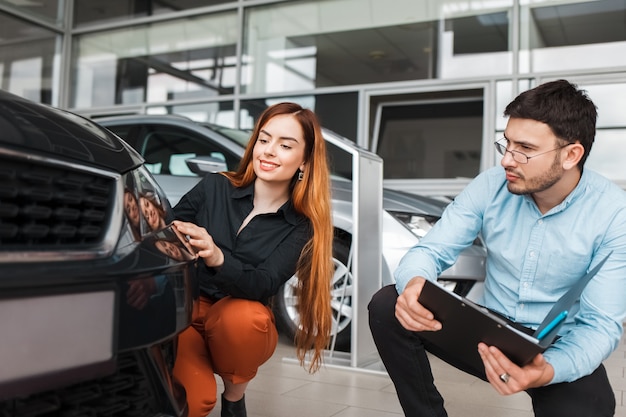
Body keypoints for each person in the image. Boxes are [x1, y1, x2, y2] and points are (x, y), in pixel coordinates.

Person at [368, 79, 626, 417]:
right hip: (488, 329)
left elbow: (599, 326)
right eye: (506, 143)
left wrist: (547, 370)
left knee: (593, 404)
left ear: (571, 155)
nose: (507, 159)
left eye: (525, 149)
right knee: (389, 305)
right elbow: (429, 252)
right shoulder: (491, 185)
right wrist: (415, 282)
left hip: (554, 345)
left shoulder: (614, 214)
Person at [171, 102, 334, 417]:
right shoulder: (214, 186)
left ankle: (234, 397)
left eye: (285, 145)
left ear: (305, 161)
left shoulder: (302, 226)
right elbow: (167, 231)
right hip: (186, 312)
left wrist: (218, 256)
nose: (269, 151)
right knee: (194, 401)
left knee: (244, 317)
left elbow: (264, 283)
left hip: (240, 323)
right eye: (264, 139)